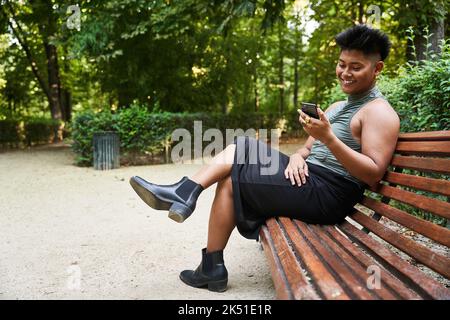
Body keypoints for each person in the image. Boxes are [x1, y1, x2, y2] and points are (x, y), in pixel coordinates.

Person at [129, 24, 400, 293]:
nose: (345, 73)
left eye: (356, 67)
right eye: (342, 64)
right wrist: (297, 157)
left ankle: (185, 194)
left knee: (241, 151)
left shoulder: (379, 112)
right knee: (231, 178)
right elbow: (306, 150)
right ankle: (211, 266)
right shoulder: (337, 106)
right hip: (308, 178)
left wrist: (329, 138)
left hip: (328, 194)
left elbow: (373, 173)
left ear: (377, 69)